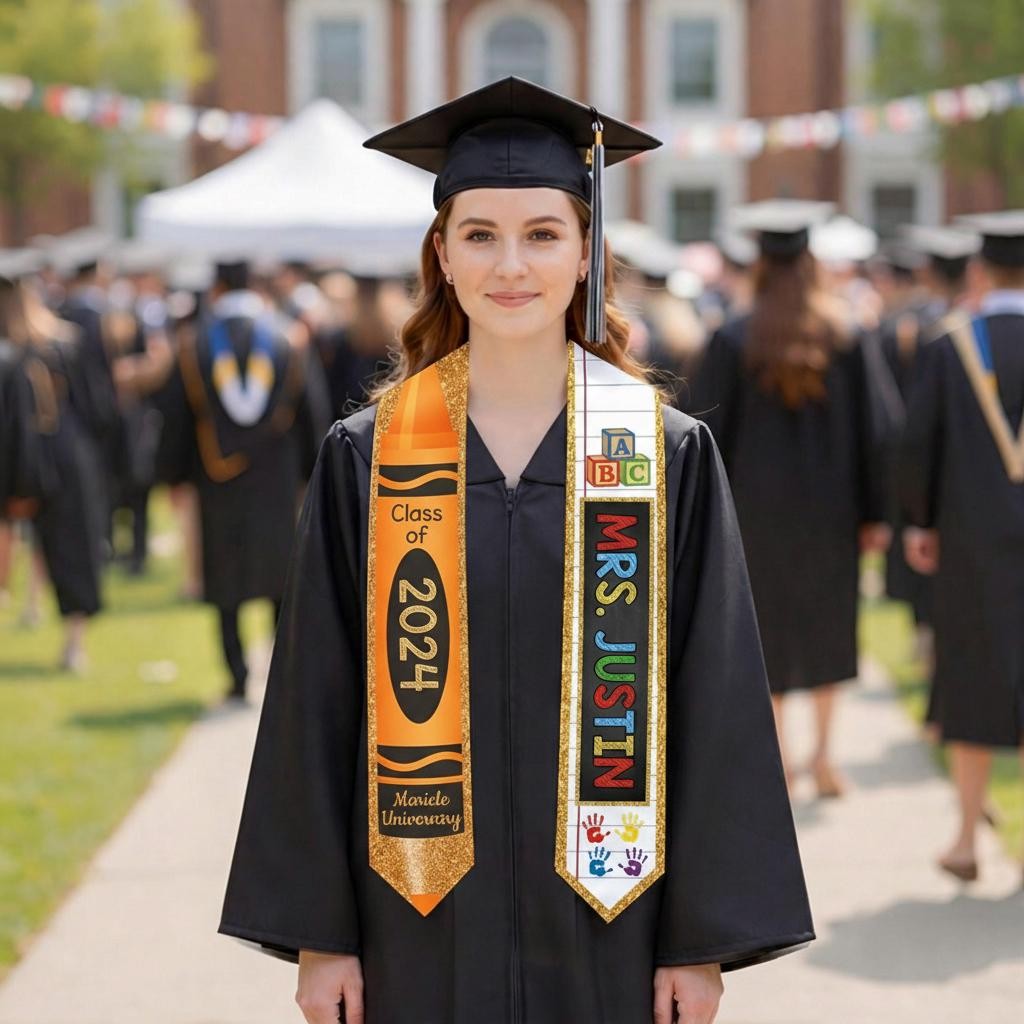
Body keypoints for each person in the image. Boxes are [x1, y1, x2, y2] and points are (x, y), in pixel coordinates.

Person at [219, 78, 813, 1024]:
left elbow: (718, 699)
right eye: (480, 234)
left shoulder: (661, 457)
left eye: (542, 233)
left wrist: (701, 945)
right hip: (412, 912)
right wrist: (322, 937)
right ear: (442, 257)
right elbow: (315, 699)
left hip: (612, 913)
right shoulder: (371, 457)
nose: (511, 265)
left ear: (588, 254)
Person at [689, 200, 889, 797]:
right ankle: (825, 757)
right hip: (831, 513)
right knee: (828, 627)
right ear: (810, 263)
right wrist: (875, 513)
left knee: (763, 633)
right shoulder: (846, 336)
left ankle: (775, 758)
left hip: (751, 515)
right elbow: (877, 433)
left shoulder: (731, 338)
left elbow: (704, 430)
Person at [899, 211, 1024, 883]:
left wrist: (919, 524)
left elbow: (916, 444)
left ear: (980, 271)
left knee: (973, 682)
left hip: (971, 541)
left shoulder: (954, 345)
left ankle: (968, 839)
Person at [157, 259, 330, 700]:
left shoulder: (194, 344)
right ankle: (283, 675)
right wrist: (311, 472)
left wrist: (172, 475)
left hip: (218, 479)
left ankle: (236, 677)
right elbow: (312, 415)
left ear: (216, 288)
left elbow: (175, 419)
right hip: (276, 481)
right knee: (279, 574)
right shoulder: (287, 340)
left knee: (225, 576)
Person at [0, 252, 105, 670]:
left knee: (30, 539)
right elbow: (96, 408)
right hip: (66, 453)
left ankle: (31, 604)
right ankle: (73, 642)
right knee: (71, 544)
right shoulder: (65, 341)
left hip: (22, 458)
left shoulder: (16, 353)